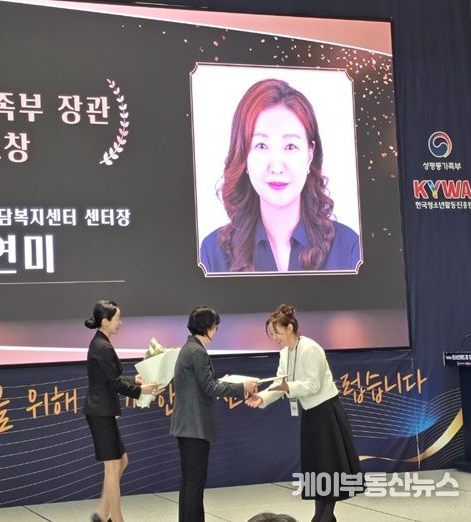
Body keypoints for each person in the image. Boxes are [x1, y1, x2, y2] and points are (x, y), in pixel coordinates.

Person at [199, 78, 360, 273]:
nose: (276, 167)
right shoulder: (213, 253)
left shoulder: (349, 248)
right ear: (243, 155)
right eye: (261, 145)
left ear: (310, 154)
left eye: (290, 146)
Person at [246, 305, 362, 522]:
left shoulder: (311, 348)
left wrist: (288, 387)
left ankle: (322, 517)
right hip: (311, 415)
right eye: (272, 334)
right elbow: (280, 383)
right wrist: (261, 398)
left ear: (289, 328)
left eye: (277, 332)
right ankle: (323, 516)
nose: (275, 338)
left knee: (330, 469)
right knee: (318, 471)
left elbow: (313, 385)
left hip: (327, 413)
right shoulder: (285, 353)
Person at [170, 306, 258, 522]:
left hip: (186, 425)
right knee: (195, 482)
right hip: (195, 426)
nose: (216, 331)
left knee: (189, 481)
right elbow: (209, 387)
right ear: (207, 327)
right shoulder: (197, 351)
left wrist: (225, 383)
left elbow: (203, 384)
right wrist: (242, 387)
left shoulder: (189, 348)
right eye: (215, 327)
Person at [83, 300, 160, 522]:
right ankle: (115, 519)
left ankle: (101, 514)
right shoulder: (102, 346)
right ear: (105, 321)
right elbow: (114, 383)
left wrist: (135, 380)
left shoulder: (102, 343)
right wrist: (141, 389)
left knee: (121, 461)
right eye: (117, 318)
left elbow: (111, 378)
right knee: (113, 466)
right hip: (100, 411)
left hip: (103, 410)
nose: (121, 322)